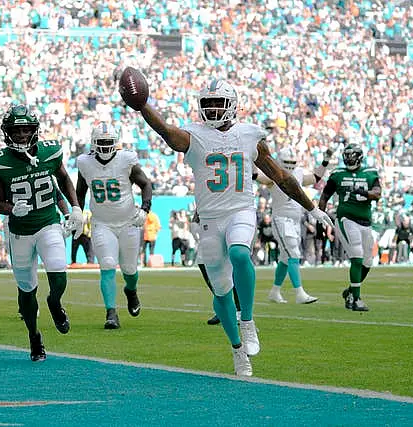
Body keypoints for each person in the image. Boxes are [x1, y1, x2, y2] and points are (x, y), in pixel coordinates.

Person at [128, 78, 332, 376]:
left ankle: (247, 321)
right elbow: (166, 132)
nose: (211, 109)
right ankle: (237, 348)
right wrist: (142, 104)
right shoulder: (195, 135)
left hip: (241, 210)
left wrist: (311, 207)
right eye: (207, 103)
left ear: (232, 105)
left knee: (239, 253)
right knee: (221, 291)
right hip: (209, 219)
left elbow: (281, 176)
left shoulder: (249, 135)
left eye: (217, 103)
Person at [0, 104, 83, 362]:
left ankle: (54, 302)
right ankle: (34, 336)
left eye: (26, 129)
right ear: (7, 133)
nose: (21, 135)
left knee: (59, 271)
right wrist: (10, 209)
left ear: (35, 130)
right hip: (20, 232)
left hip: (47, 223)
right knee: (26, 289)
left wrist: (74, 208)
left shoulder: (50, 153)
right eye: (16, 131)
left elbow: (63, 181)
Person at [76, 122, 152, 329]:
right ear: (93, 143)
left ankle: (131, 290)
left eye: (108, 142)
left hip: (128, 222)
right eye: (101, 142)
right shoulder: (85, 163)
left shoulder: (126, 160)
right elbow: (80, 191)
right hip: (102, 223)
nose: (105, 147)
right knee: (108, 265)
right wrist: (77, 212)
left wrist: (145, 208)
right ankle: (111, 312)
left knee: (129, 269)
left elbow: (145, 183)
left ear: (116, 143)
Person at [261, 146, 332, 304]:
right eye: (287, 162)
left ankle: (274, 291)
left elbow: (315, 178)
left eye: (293, 161)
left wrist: (325, 161)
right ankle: (299, 293)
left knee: (285, 258)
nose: (291, 164)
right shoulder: (273, 173)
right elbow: (259, 176)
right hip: (281, 219)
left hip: (294, 220)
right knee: (293, 254)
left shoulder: (298, 173)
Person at [319, 143, 381, 312]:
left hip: (366, 221)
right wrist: (320, 216)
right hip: (346, 219)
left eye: (352, 156)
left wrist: (364, 193)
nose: (349, 159)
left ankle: (351, 291)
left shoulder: (370, 173)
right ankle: (356, 298)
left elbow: (377, 193)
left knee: (368, 261)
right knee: (357, 256)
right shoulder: (338, 174)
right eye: (347, 156)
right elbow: (325, 196)